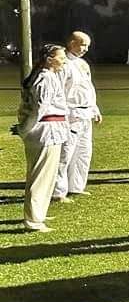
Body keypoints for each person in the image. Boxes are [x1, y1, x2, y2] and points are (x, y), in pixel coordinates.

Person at [19, 44, 69, 232]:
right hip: (45, 131)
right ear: (49, 60)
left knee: (43, 175)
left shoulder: (44, 76)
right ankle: (33, 220)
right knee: (40, 176)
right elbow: (39, 109)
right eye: (61, 57)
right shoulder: (45, 78)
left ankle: (37, 212)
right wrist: (25, 128)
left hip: (46, 130)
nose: (63, 61)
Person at [53, 31, 102, 201]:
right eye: (83, 45)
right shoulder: (63, 64)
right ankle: (58, 191)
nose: (85, 49)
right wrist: (63, 114)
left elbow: (88, 88)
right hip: (71, 114)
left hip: (85, 114)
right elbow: (59, 92)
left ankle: (76, 186)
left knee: (83, 152)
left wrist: (95, 109)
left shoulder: (82, 64)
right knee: (65, 154)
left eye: (87, 46)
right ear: (72, 42)